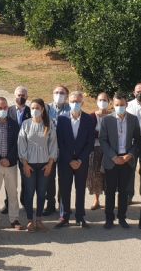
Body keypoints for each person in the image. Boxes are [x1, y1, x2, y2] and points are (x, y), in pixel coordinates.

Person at [99, 92, 141, 229]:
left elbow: (138, 140)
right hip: (112, 160)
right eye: (117, 105)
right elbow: (103, 140)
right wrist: (113, 157)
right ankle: (109, 218)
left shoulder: (133, 119)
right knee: (110, 191)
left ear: (127, 104)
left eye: (122, 105)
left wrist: (129, 155)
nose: (119, 107)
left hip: (127, 160)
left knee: (124, 191)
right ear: (113, 105)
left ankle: (122, 217)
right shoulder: (107, 120)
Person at [55, 91, 96, 228]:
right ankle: (64, 216)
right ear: (68, 102)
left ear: (82, 103)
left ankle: (80, 216)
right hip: (65, 161)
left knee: (80, 189)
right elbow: (60, 142)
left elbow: (90, 143)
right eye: (72, 101)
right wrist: (69, 160)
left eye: (78, 102)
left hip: (81, 161)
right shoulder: (61, 119)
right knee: (65, 189)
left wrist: (80, 160)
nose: (75, 104)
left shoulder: (89, 120)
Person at [18, 98, 58, 232]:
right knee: (29, 193)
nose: (35, 111)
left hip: (44, 165)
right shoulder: (25, 124)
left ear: (42, 110)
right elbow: (21, 144)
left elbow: (53, 144)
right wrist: (25, 164)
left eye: (37, 108)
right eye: (32, 108)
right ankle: (30, 220)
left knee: (41, 193)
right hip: (29, 164)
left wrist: (50, 164)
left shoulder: (49, 124)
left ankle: (39, 220)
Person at [0, 97, 22, 231]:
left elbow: (17, 144)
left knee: (12, 193)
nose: (3, 110)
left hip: (11, 164)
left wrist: (9, 158)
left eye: (5, 107)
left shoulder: (14, 124)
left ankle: (14, 219)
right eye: (0, 108)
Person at [43, 85, 70, 216]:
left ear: (66, 95)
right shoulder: (46, 108)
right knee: (49, 177)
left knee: (64, 178)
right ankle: (50, 204)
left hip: (65, 149)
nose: (59, 94)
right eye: (56, 92)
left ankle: (63, 204)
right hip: (50, 149)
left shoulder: (71, 109)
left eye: (62, 93)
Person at [4, 86, 30, 213]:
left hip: (26, 151)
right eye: (19, 94)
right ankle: (8, 203)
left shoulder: (32, 111)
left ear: (27, 97)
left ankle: (25, 202)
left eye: (24, 95)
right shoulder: (7, 111)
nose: (21, 97)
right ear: (14, 96)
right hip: (10, 150)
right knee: (9, 179)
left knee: (26, 178)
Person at [87, 92, 110, 211]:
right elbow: (90, 133)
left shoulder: (113, 116)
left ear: (109, 102)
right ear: (96, 101)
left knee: (107, 175)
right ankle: (96, 199)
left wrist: (101, 135)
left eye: (105, 100)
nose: (102, 102)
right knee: (95, 174)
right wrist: (102, 135)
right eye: (100, 100)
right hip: (95, 149)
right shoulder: (91, 116)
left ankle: (108, 199)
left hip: (109, 150)